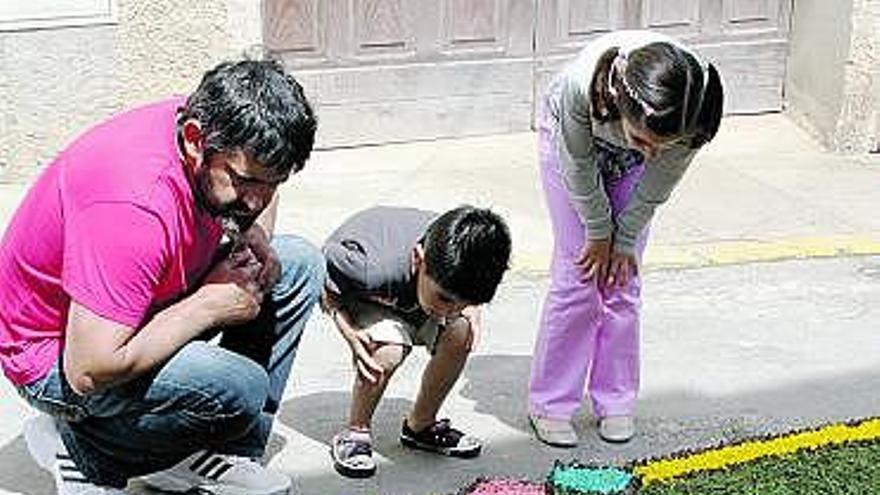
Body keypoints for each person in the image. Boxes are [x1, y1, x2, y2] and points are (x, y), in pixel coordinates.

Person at [0, 60, 323, 494]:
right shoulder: (132, 206)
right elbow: (88, 370)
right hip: (57, 357)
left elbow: (258, 191)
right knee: (238, 387)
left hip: (134, 306)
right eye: (247, 182)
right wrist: (206, 306)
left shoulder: (214, 130)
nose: (257, 199)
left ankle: (218, 454)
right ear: (195, 142)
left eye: (273, 182)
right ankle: (85, 450)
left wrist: (251, 232)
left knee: (297, 263)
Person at [527, 30, 724, 447]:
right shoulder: (580, 88)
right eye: (644, 140)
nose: (653, 151)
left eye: (663, 145)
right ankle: (551, 403)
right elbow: (578, 168)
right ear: (619, 100)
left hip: (630, 163)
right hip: (573, 150)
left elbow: (659, 179)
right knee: (579, 275)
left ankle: (615, 400)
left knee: (622, 277)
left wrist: (626, 237)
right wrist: (599, 231)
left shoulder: (692, 113)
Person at [321, 205, 511, 478]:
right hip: (372, 296)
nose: (448, 311)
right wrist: (349, 331)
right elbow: (321, 275)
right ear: (418, 258)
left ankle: (420, 426)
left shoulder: (464, 263)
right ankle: (356, 431)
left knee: (461, 332)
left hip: (417, 292)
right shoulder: (366, 267)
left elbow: (456, 299)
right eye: (445, 299)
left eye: (464, 301)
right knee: (388, 350)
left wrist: (468, 308)